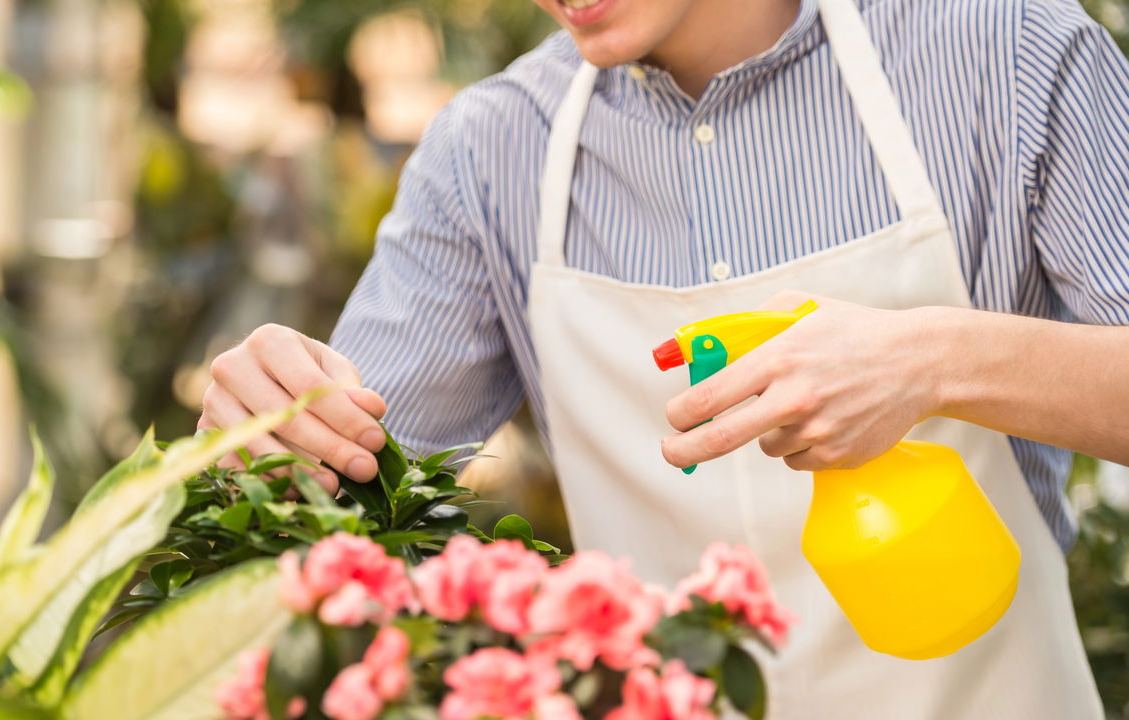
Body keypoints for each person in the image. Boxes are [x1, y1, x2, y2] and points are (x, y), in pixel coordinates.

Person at [201, 0, 1129, 715]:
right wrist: (263, 443)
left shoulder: (1007, 56)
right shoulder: (492, 153)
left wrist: (939, 358)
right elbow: (341, 484)